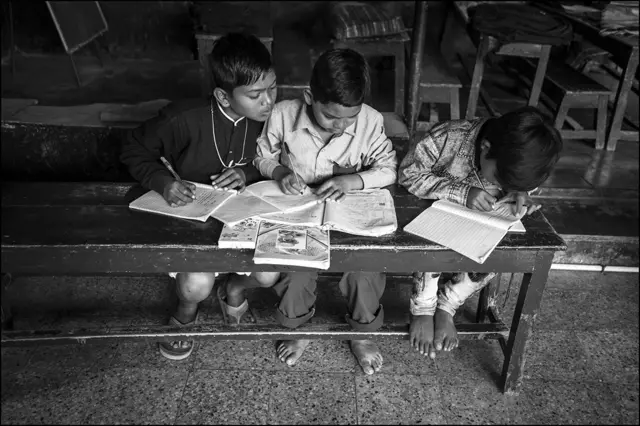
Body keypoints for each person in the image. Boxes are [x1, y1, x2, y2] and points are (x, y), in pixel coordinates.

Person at [120, 32, 281, 361]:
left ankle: (234, 287)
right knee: (196, 286)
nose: (269, 101)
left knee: (269, 274)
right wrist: (163, 182)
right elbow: (133, 149)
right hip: (195, 222)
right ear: (223, 97)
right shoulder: (183, 118)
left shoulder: (273, 118)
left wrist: (248, 173)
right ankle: (186, 309)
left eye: (273, 87)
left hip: (246, 217)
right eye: (255, 95)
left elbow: (281, 162)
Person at [244, 47, 396, 375]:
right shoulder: (283, 114)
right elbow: (261, 156)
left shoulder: (371, 121)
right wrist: (279, 172)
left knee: (364, 269)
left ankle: (362, 333)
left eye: (349, 118)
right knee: (296, 266)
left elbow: (388, 170)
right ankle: (300, 329)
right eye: (331, 117)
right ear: (309, 96)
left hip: (349, 212)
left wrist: (354, 180)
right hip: (300, 210)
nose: (341, 126)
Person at [398, 106, 563, 359]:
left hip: (481, 227)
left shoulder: (522, 160)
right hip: (435, 218)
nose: (500, 186)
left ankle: (448, 304)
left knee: (499, 250)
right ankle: (423, 308)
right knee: (431, 243)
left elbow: (529, 183)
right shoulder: (446, 138)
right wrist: (462, 193)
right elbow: (408, 175)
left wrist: (521, 192)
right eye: (500, 179)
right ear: (485, 147)